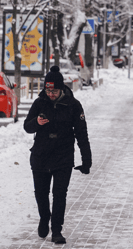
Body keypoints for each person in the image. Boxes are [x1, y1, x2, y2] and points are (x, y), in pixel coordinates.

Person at [23, 66, 92, 244]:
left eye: (54, 90)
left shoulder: (73, 105)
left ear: (61, 88)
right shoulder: (39, 103)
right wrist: (36, 122)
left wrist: (87, 161)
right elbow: (27, 127)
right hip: (41, 156)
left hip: (63, 156)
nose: (51, 94)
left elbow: (82, 134)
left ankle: (56, 230)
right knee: (41, 193)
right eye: (48, 90)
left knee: (59, 194)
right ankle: (44, 217)